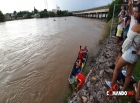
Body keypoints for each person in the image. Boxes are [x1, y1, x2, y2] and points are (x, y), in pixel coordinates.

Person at [106, 3, 140, 91]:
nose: (135, 13)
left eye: (137, 12)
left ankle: (111, 84)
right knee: (129, 74)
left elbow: (128, 39)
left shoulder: (137, 26)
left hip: (130, 52)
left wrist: (123, 51)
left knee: (117, 67)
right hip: (136, 54)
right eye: (135, 12)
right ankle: (123, 89)